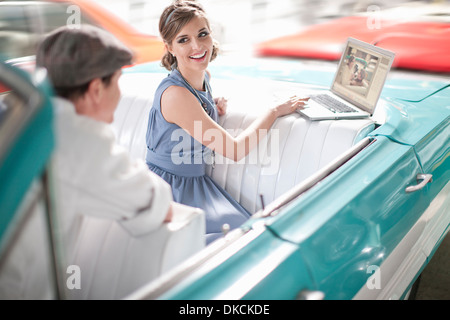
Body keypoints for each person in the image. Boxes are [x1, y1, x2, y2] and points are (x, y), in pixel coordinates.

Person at [28, 24, 200, 299]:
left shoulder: (20, 115)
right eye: (118, 80)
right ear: (96, 89)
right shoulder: (78, 140)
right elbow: (156, 203)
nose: (120, 93)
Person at [146, 0, 308, 244]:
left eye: (203, 34)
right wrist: (274, 111)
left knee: (250, 235)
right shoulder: (176, 94)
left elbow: (193, 118)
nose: (198, 46)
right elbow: (234, 150)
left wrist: (213, 109)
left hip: (193, 182)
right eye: (183, 40)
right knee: (240, 240)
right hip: (171, 190)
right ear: (169, 47)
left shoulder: (203, 76)